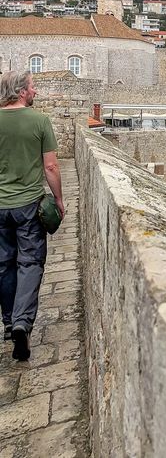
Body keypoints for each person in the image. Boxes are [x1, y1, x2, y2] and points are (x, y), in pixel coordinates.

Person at [0, 72, 59, 362]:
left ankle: (10, 321)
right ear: (22, 92)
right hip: (27, 206)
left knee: (3, 263)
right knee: (30, 262)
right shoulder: (40, 121)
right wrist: (59, 200)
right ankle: (23, 321)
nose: (36, 90)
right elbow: (50, 167)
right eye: (33, 86)